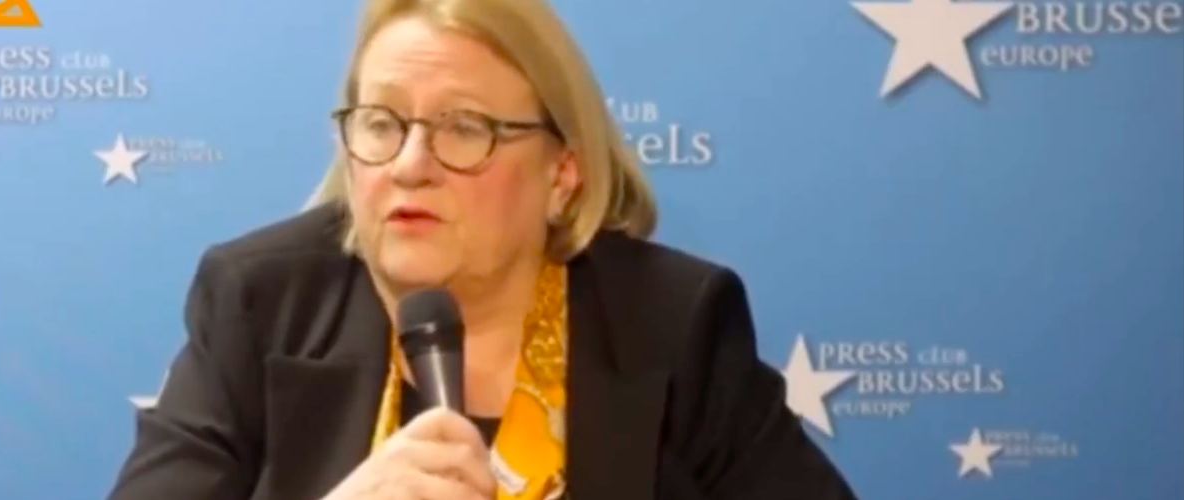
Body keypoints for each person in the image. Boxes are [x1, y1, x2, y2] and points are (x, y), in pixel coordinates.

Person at [105, 0, 858, 498]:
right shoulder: (260, 304)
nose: (410, 165)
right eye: (381, 123)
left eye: (465, 128)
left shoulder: (671, 322)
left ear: (562, 174)